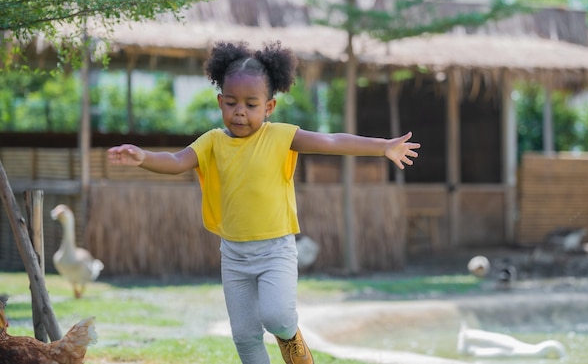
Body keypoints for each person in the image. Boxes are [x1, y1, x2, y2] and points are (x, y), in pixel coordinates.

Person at [107, 40, 421, 364]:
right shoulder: (212, 142)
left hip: (276, 250)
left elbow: (330, 141)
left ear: (269, 107)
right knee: (244, 336)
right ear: (220, 102)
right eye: (231, 103)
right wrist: (142, 156)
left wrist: (382, 146)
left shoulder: (281, 136)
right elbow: (175, 161)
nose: (239, 111)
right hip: (233, 255)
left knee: (278, 318)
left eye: (250, 104)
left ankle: (293, 339)